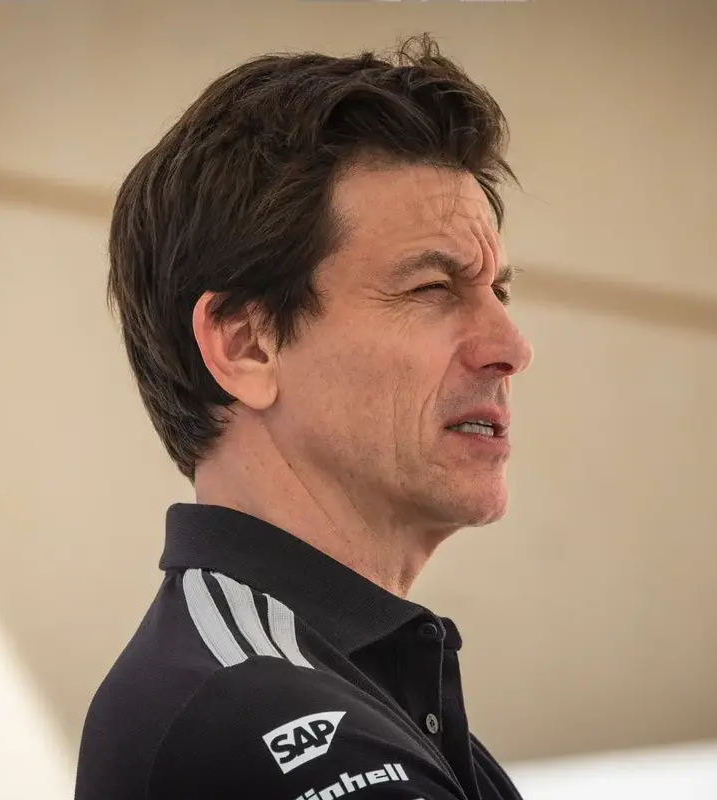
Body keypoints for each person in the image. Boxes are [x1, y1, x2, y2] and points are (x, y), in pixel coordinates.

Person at [76, 33, 534, 800]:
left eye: (500, 293)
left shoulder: (330, 685)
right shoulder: (252, 708)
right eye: (432, 288)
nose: (511, 348)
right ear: (246, 346)